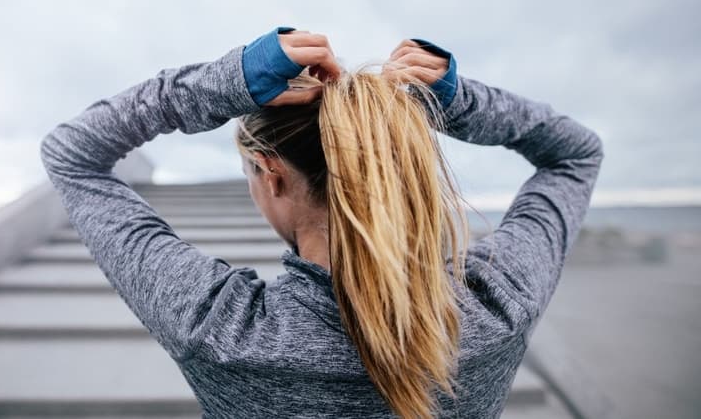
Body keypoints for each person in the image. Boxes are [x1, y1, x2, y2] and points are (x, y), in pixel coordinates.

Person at [40, 26, 604, 418]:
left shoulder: (222, 331)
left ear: (271, 173)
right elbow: (576, 153)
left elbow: (72, 152)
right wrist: (455, 101)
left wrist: (228, 82)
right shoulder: (497, 305)